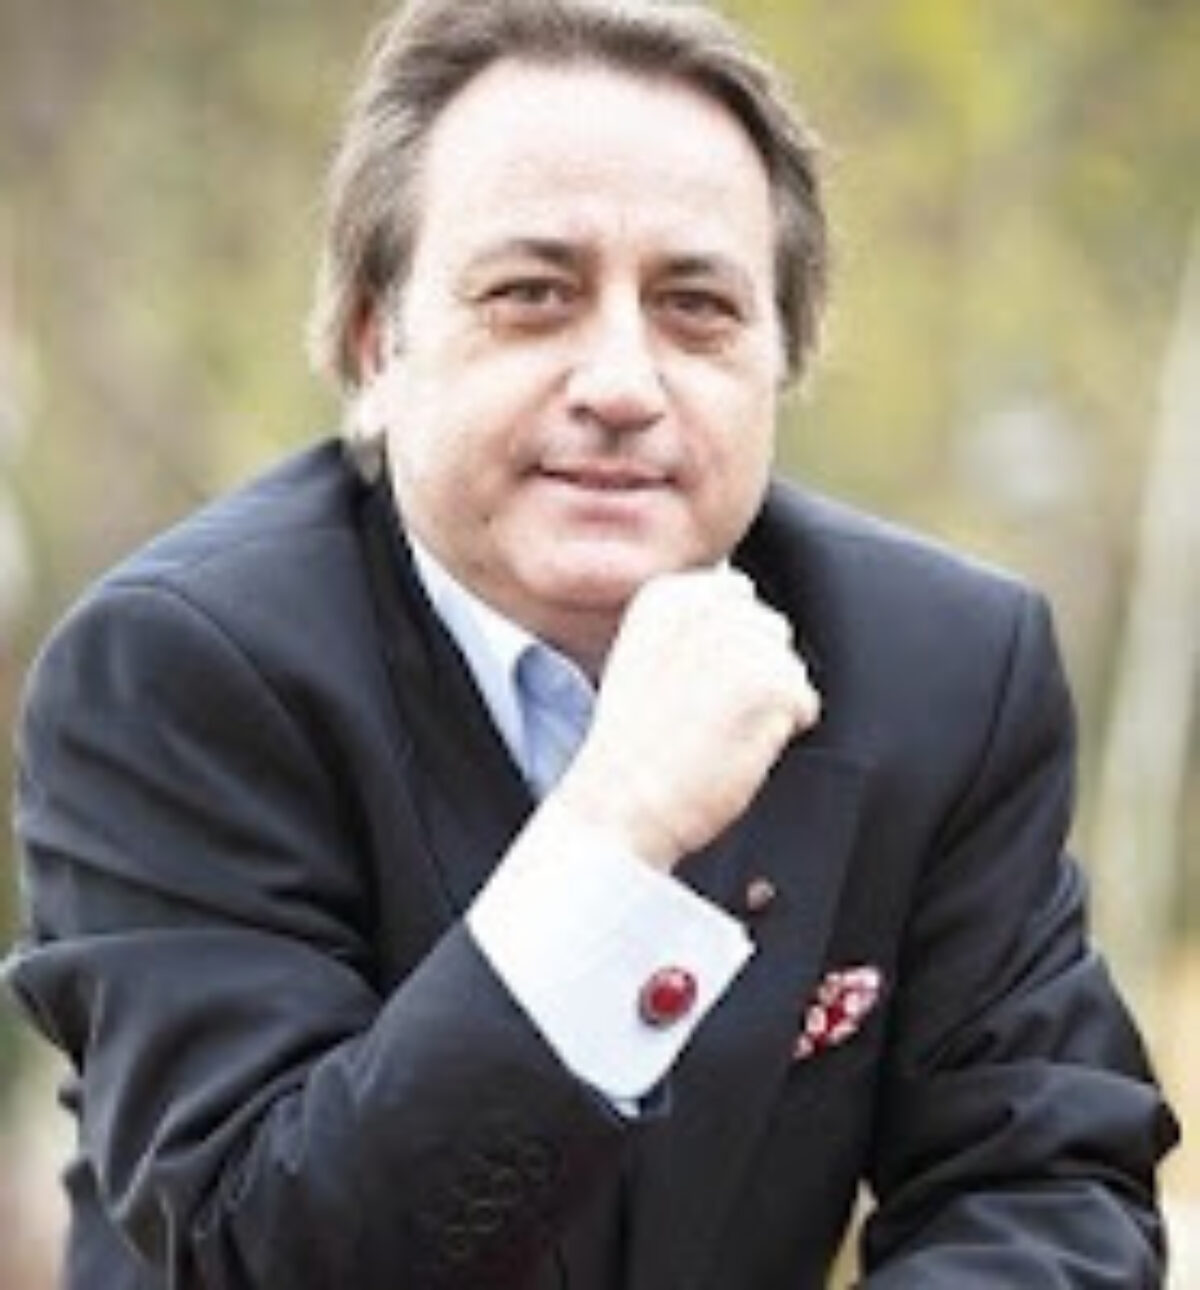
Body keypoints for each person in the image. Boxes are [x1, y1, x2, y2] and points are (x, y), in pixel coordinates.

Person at [4, 0, 1179, 1285]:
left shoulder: (944, 668)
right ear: (376, 347)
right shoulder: (174, 676)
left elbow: (1048, 1187)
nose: (622, 383)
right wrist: (617, 836)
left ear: (780, 362)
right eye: (533, 295)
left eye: (696, 306)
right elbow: (261, 1250)